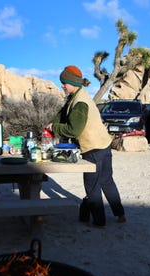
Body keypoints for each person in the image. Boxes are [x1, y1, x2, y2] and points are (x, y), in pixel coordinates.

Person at [46, 65, 126, 227]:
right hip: (104, 144)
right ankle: (120, 215)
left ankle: (99, 222)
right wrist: (53, 123)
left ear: (72, 83)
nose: (62, 85)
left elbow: (74, 130)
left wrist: (55, 128)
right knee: (106, 180)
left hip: (93, 149)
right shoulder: (77, 96)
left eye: (64, 82)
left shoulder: (79, 102)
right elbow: (61, 114)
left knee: (92, 186)